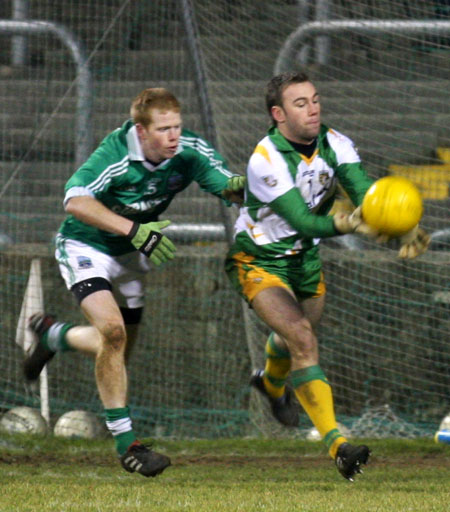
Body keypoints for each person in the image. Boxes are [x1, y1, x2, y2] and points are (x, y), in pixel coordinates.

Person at [23, 87, 245, 478]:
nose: (173, 136)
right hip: (86, 247)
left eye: (177, 126)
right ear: (141, 132)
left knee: (116, 347)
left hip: (132, 256)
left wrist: (259, 189)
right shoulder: (116, 154)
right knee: (113, 332)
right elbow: (75, 200)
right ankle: (128, 446)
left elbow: (228, 184)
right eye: (163, 129)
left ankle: (53, 336)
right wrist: (134, 230)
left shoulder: (188, 150)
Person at [225, 71, 430, 481]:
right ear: (278, 114)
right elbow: (302, 220)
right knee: (302, 336)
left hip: (306, 259)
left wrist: (400, 226)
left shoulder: (335, 143)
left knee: (293, 338)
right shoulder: (265, 158)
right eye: (300, 103)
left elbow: (365, 192)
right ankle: (339, 445)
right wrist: (349, 224)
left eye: (315, 99)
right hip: (260, 258)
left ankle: (271, 384)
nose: (313, 107)